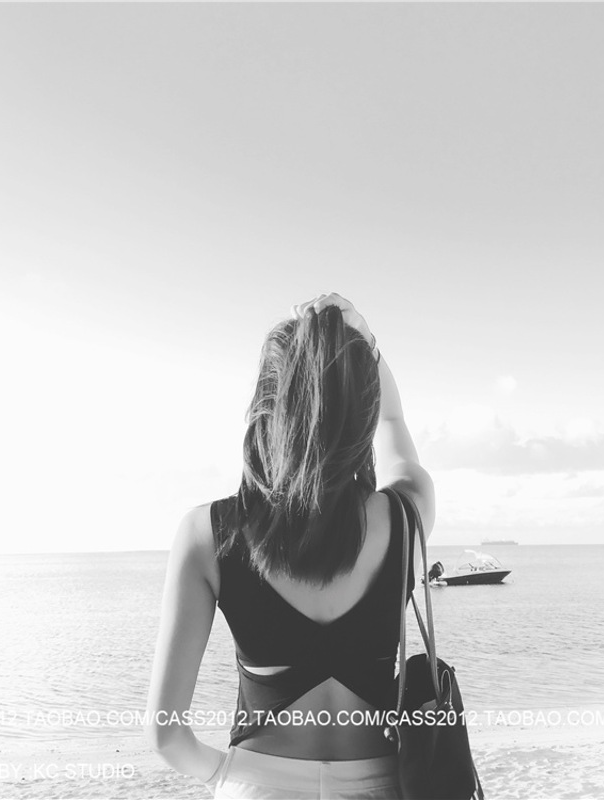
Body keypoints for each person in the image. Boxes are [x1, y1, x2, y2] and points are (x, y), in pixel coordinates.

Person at [145, 292, 435, 799]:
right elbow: (393, 423)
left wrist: (228, 777)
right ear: (362, 414)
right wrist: (364, 340)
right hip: (381, 785)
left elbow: (166, 735)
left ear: (265, 407)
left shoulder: (207, 533)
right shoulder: (405, 519)